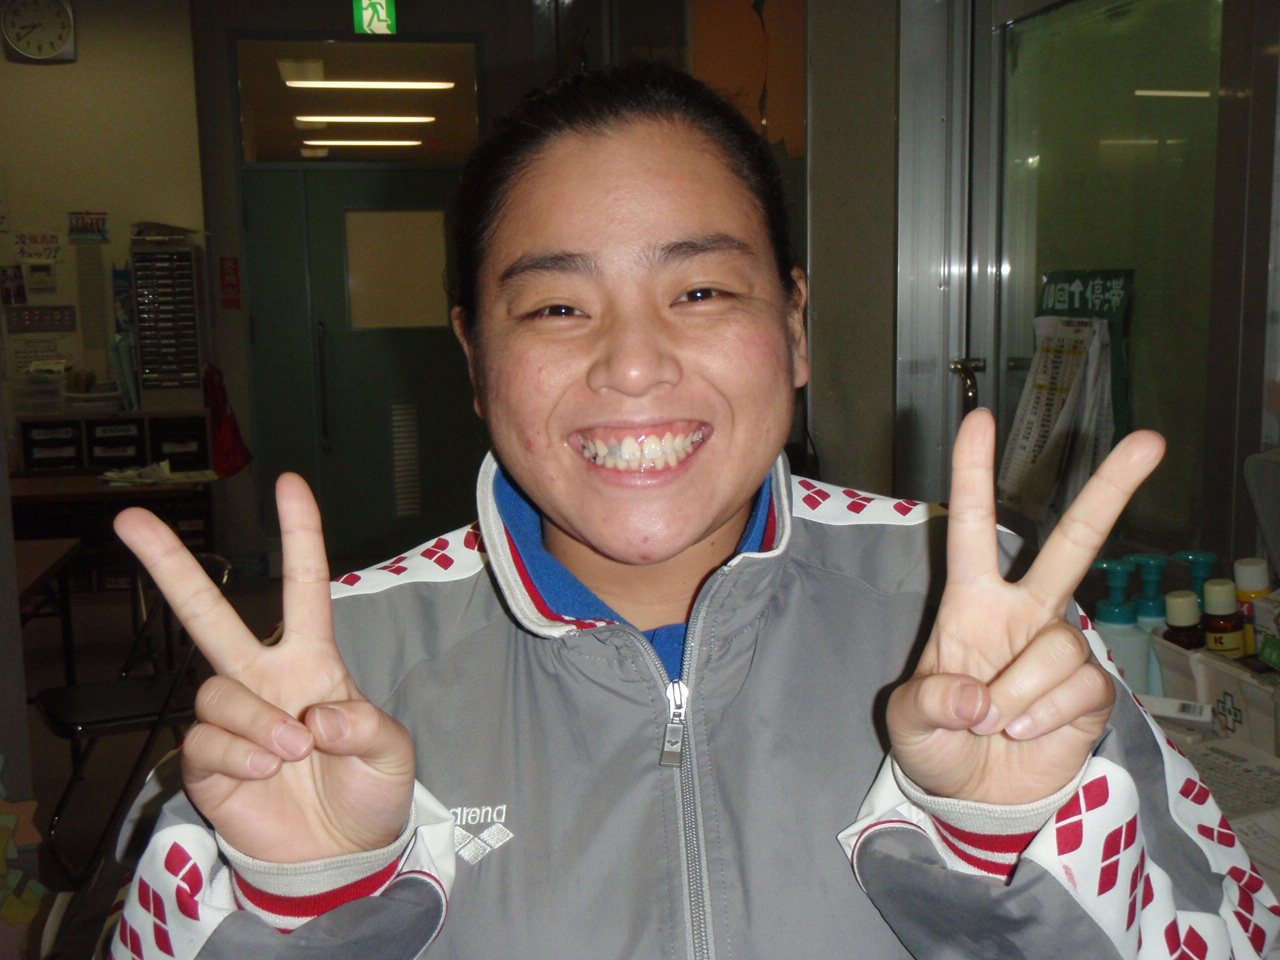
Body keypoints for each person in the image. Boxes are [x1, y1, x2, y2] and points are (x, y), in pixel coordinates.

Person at [106, 63, 1275, 959]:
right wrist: (308, 907)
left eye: (701, 289)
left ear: (794, 327)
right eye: (556, 308)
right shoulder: (322, 683)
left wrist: (1003, 852)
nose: (631, 364)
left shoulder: (981, 621)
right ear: (473, 357)